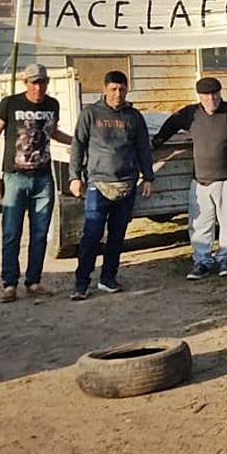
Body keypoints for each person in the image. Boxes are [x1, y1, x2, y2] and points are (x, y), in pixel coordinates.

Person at [152, 77, 227, 280]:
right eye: (206, 95)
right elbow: (170, 125)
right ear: (200, 97)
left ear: (220, 94)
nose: (211, 99)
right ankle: (202, 261)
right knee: (199, 224)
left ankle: (225, 259)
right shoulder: (191, 114)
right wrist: (156, 142)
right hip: (201, 181)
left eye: (215, 94)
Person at [68, 71, 155, 300]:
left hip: (126, 185)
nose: (118, 94)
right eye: (114, 89)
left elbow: (143, 148)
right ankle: (81, 284)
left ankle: (108, 279)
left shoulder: (134, 117)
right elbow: (77, 146)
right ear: (105, 89)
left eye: (122, 89)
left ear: (127, 90)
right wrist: (74, 177)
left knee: (117, 236)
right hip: (98, 185)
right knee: (92, 235)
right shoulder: (90, 114)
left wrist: (148, 177)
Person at [0, 64, 73, 302]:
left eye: (42, 82)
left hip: (43, 178)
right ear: (25, 83)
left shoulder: (52, 105)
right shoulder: (10, 103)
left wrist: (76, 141)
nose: (38, 87)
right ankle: (9, 283)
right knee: (11, 232)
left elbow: (51, 132)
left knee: (40, 233)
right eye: (34, 82)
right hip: (15, 177)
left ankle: (33, 281)